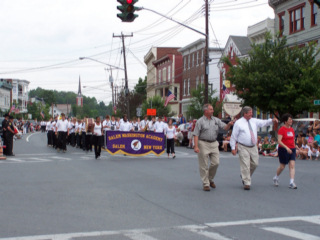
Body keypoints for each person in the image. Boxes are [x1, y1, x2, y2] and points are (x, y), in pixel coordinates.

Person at [230, 106, 278, 190]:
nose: (251, 114)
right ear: (244, 113)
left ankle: (245, 175)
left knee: (255, 164)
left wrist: (272, 121)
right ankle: (247, 182)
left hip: (253, 146)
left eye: (252, 112)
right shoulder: (238, 123)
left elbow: (263, 122)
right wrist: (233, 147)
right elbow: (234, 136)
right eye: (250, 113)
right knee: (245, 164)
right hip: (243, 146)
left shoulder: (254, 121)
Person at [193, 103, 234, 191]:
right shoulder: (200, 121)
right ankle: (206, 184)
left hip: (214, 143)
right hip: (203, 142)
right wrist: (196, 146)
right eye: (211, 109)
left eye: (212, 109)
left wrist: (229, 125)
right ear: (206, 111)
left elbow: (225, 128)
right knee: (203, 164)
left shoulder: (216, 120)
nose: (213, 111)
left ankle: (210, 178)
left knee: (216, 163)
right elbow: (195, 134)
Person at [273, 113, 297, 189]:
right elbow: (279, 141)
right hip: (283, 149)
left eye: (291, 119)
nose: (291, 120)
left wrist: (295, 146)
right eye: (289, 119)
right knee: (282, 166)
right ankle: (276, 177)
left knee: (292, 165)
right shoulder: (282, 129)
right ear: (285, 121)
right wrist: (286, 148)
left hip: (292, 149)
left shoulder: (292, 129)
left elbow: (293, 139)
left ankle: (291, 182)